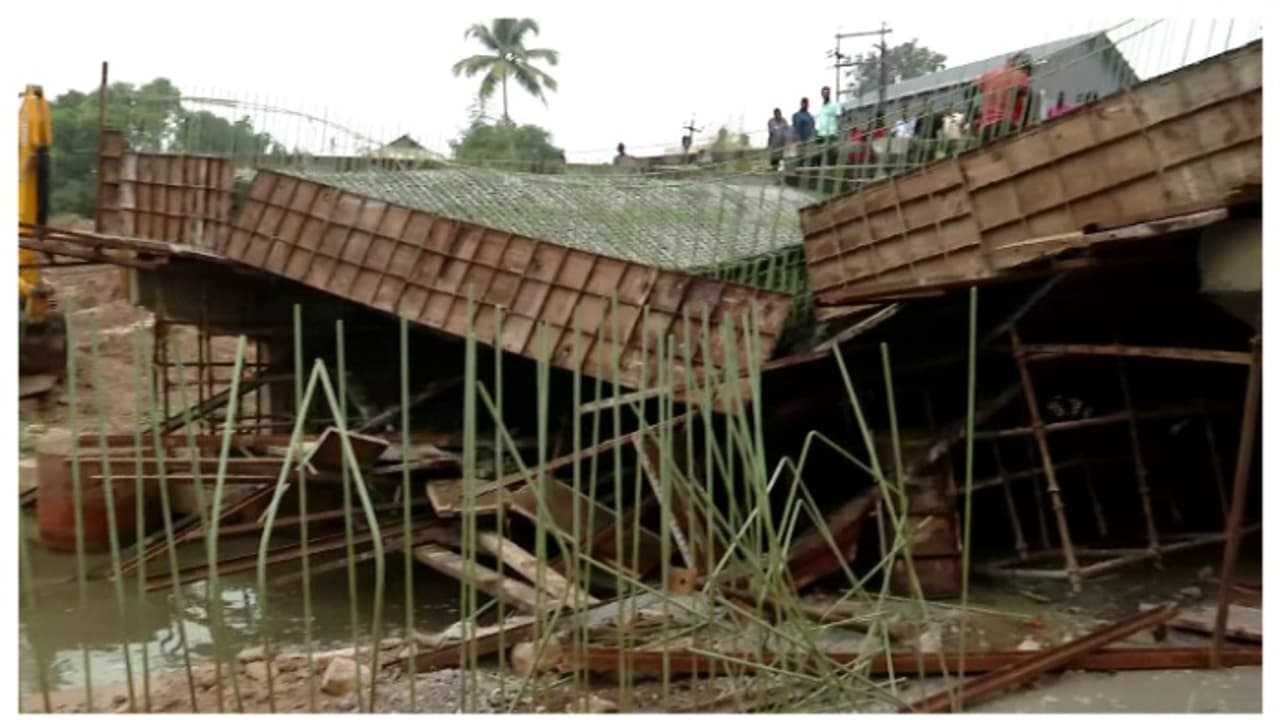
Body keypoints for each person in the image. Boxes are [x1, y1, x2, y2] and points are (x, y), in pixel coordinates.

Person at [975, 52, 1033, 143]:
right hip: (1005, 125)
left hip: (985, 128)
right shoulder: (1020, 75)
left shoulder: (989, 75)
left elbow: (972, 90)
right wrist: (1024, 125)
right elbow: (1028, 99)